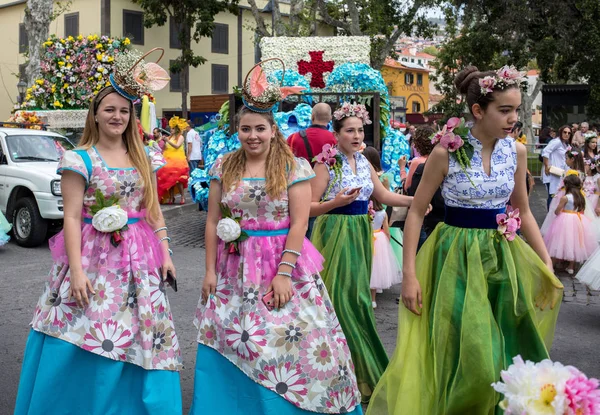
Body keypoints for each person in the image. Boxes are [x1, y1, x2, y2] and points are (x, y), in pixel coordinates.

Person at [367, 65, 563, 415]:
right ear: (478, 111)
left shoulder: (515, 152)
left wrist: (546, 263)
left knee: (511, 351)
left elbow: (524, 211)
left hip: (503, 256)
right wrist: (409, 274)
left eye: (516, 110)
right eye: (504, 110)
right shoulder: (445, 152)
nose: (513, 118)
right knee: (471, 355)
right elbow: (416, 212)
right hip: (453, 258)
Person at [14, 49, 182, 414]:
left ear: (132, 115)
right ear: (95, 113)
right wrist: (75, 271)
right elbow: (71, 218)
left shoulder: (145, 157)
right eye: (109, 109)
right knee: (89, 327)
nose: (117, 116)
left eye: (124, 110)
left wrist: (166, 254)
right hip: (92, 260)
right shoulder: (80, 159)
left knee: (139, 332)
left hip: (140, 261)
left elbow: (153, 212)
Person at [190, 65, 363, 415]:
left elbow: (299, 222)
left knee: (290, 340)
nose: (252, 136)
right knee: (234, 338)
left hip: (281, 263)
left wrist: (284, 273)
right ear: (236, 130)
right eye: (245, 128)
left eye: (260, 128)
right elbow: (212, 221)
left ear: (273, 130)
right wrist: (209, 271)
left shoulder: (294, 167)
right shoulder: (224, 166)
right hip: (233, 266)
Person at [309, 102, 416, 402]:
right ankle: (335, 372)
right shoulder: (326, 163)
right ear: (336, 133)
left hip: (359, 233)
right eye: (350, 130)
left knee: (357, 300)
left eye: (360, 130)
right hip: (334, 233)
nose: (356, 136)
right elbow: (308, 207)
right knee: (341, 301)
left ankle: (353, 371)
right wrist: (336, 203)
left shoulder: (364, 162)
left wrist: (416, 200)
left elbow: (382, 195)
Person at [287, 102, 337, 238]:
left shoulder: (294, 138)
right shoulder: (335, 140)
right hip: (326, 197)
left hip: (298, 192)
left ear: (312, 116)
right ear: (330, 118)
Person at [543, 174, 598, 274]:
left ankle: (553, 263)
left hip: (564, 219)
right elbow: (582, 209)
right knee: (574, 241)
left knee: (559, 240)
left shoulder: (565, 198)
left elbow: (557, 211)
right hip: (577, 219)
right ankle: (571, 267)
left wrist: (556, 211)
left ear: (567, 186)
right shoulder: (581, 197)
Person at [368, 195, 401, 309]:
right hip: (379, 238)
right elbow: (387, 231)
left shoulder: (367, 211)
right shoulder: (383, 213)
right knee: (376, 269)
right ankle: (373, 300)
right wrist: (387, 242)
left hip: (368, 238)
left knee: (368, 267)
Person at [157, 117, 189, 205]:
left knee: (178, 180)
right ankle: (171, 197)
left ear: (177, 129)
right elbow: (165, 148)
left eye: (172, 128)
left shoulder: (181, 137)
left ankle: (182, 196)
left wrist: (167, 140)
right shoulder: (169, 137)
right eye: (170, 128)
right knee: (169, 179)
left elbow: (177, 146)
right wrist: (162, 142)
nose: (170, 130)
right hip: (168, 160)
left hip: (178, 161)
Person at [542, 125, 571, 209]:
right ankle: (550, 217)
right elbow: (545, 152)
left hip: (559, 173)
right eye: (564, 132)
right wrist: (547, 166)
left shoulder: (564, 144)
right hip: (552, 173)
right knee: (552, 195)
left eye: (569, 133)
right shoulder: (556, 141)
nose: (567, 134)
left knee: (557, 195)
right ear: (561, 132)